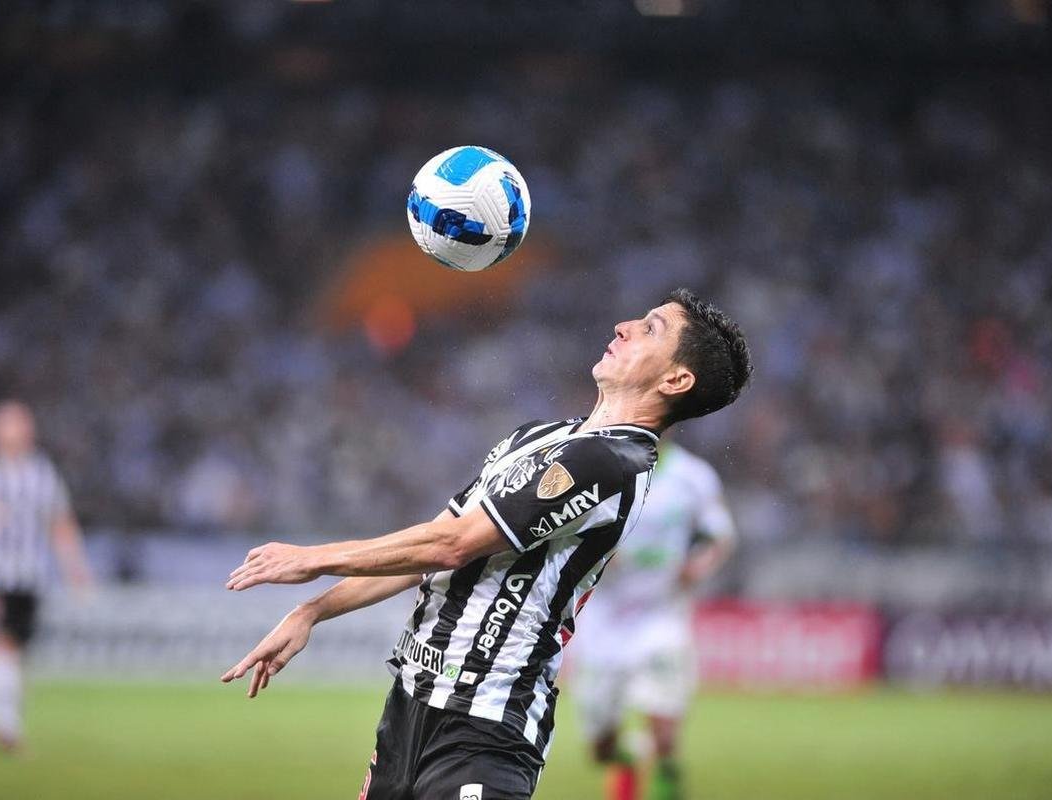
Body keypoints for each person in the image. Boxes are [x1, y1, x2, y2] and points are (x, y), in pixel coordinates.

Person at [220, 288, 752, 799]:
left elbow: (452, 544)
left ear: (677, 379)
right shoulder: (540, 438)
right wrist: (313, 611)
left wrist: (312, 559)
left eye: (650, 328)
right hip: (410, 705)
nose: (624, 326)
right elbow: (424, 554)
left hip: (485, 725)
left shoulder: (613, 462)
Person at [569, 440, 738, 800]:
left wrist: (698, 565)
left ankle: (665, 776)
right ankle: (632, 757)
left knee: (663, 729)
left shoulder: (692, 476)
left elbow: (719, 535)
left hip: (661, 614)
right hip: (605, 619)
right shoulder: (599, 471)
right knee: (601, 747)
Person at [0, 400, 92, 752]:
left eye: (18, 422)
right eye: (6, 423)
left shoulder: (42, 475)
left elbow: (61, 525)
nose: (14, 429)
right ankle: (5, 723)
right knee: (2, 641)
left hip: (30, 577)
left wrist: (76, 570)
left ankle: (5, 712)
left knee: (14, 648)